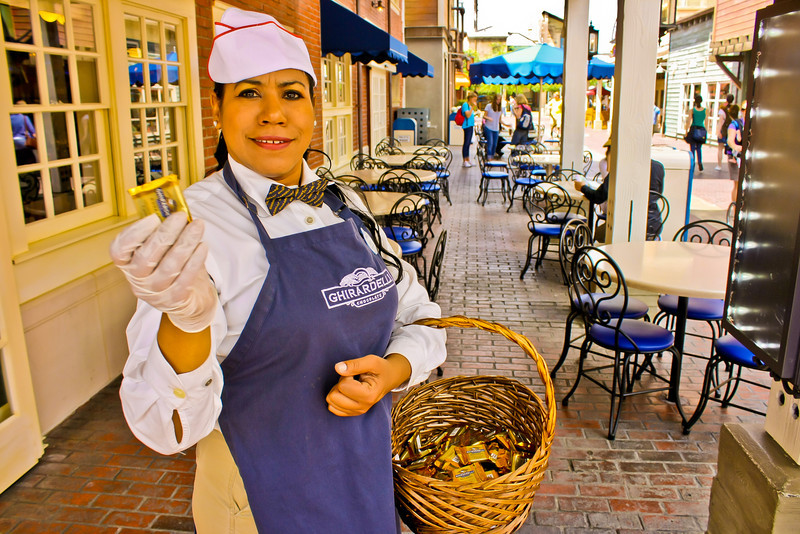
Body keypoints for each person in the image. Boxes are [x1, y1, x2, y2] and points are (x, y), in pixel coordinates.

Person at [109, 8, 446, 533]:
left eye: (291, 93)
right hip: (259, 499)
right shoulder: (196, 225)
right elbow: (164, 430)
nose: (273, 114)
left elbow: (421, 318)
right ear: (216, 107)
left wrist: (394, 371)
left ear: (313, 109)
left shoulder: (345, 203)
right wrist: (185, 320)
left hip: (364, 475)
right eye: (247, 93)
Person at [574, 139, 665, 241]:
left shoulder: (620, 168)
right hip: (654, 225)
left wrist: (582, 187)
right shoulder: (658, 167)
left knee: (599, 233)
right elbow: (658, 193)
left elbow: (598, 197)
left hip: (626, 227)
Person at [725, 104, 744, 199]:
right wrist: (736, 147)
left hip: (745, 157)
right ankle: (735, 209)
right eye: (743, 109)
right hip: (735, 156)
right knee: (737, 183)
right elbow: (730, 140)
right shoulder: (735, 124)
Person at [685, 94, 707, 172]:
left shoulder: (692, 110)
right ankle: (700, 162)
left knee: (692, 148)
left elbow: (689, 121)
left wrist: (686, 131)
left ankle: (693, 163)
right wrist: (705, 131)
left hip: (694, 129)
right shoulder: (705, 110)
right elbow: (706, 122)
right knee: (699, 148)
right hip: (701, 129)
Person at [716, 93, 735, 171]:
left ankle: (719, 165)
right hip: (732, 131)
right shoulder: (734, 109)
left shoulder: (722, 110)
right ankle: (730, 166)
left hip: (723, 131)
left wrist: (718, 132)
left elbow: (720, 122)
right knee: (730, 148)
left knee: (720, 148)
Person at [483, 93, 503, 161]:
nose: (498, 101)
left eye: (500, 100)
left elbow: (500, 119)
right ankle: (489, 157)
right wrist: (489, 118)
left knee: (495, 144)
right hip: (489, 127)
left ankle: (492, 155)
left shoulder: (501, 108)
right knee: (490, 143)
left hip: (496, 128)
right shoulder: (489, 106)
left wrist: (506, 124)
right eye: (497, 99)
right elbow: (484, 116)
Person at [461, 91, 477, 167]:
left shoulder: (469, 105)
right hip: (466, 126)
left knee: (468, 143)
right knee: (466, 143)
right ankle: (465, 160)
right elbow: (467, 115)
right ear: (470, 98)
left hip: (470, 125)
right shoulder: (465, 105)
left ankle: (468, 159)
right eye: (474, 99)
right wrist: (472, 107)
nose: (475, 101)